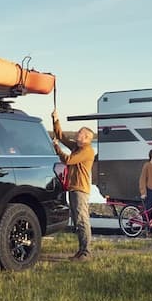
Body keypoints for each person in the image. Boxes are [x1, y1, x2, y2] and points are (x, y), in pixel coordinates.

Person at [52, 110, 96, 259]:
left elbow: (69, 160)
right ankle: (81, 251)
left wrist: (57, 149)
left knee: (82, 220)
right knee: (78, 220)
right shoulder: (78, 147)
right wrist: (56, 120)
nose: (77, 133)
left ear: (87, 138)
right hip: (74, 188)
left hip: (80, 189)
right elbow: (61, 136)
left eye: (80, 133)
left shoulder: (87, 150)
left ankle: (86, 252)